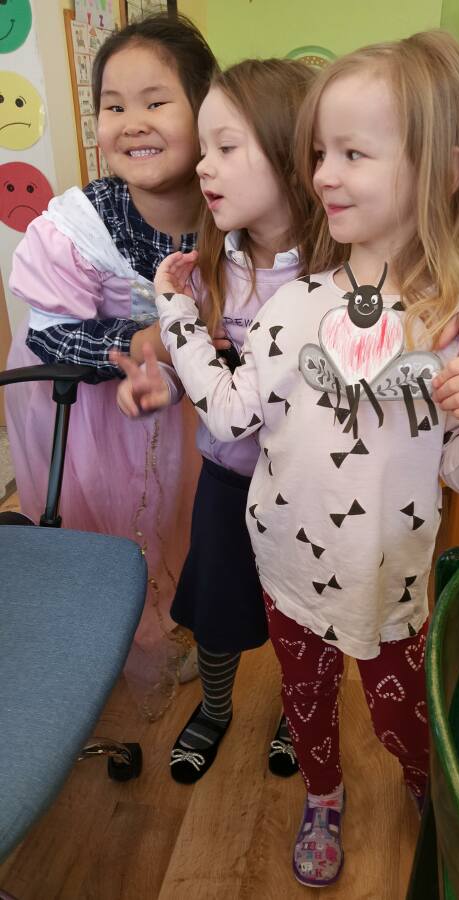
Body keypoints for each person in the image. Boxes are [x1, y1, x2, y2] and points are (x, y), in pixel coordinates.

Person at [124, 29, 459, 886]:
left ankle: (428, 791)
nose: (324, 176)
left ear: (444, 171)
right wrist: (179, 318)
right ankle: (322, 794)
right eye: (319, 154)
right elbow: (231, 414)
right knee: (306, 706)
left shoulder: (451, 323)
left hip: (388, 582)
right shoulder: (293, 307)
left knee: (403, 721)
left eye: (353, 153)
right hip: (287, 570)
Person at [5, 15, 216, 719]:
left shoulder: (230, 208)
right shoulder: (78, 225)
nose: (133, 122)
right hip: (81, 408)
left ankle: (167, 614)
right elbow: (51, 333)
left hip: (175, 400)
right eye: (114, 106)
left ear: (206, 110)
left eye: (156, 101)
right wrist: (143, 341)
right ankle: (121, 641)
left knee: (175, 510)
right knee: (104, 521)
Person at [113, 58, 317, 783]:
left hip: (310, 492)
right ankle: (217, 706)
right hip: (228, 484)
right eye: (204, 148)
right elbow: (194, 363)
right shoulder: (204, 270)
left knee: (306, 619)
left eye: (226, 147)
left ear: (293, 160)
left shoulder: (339, 275)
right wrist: (162, 384)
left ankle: (301, 712)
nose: (203, 166)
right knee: (218, 614)